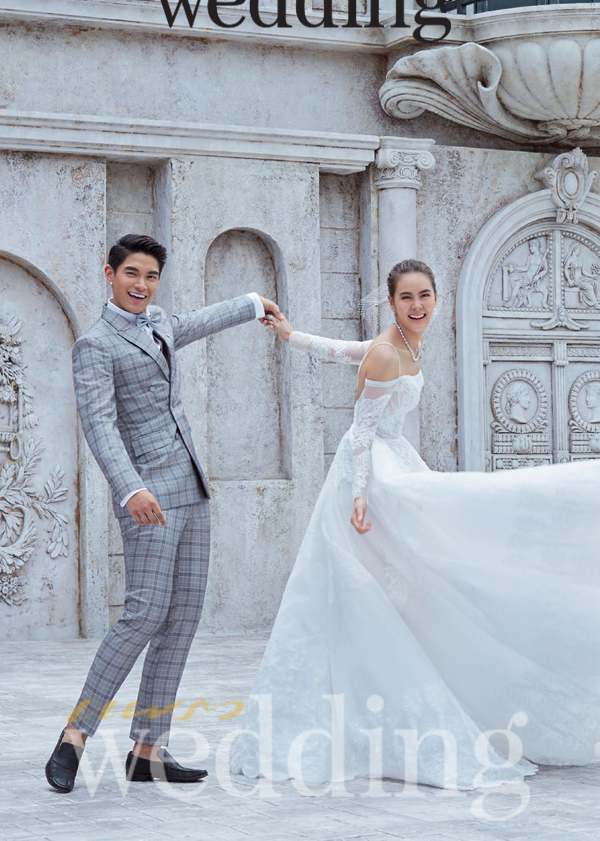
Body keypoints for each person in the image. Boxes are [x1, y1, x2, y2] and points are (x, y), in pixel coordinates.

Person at [229, 258, 600, 791]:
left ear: (436, 298)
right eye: (406, 297)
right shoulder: (388, 352)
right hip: (370, 476)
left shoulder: (399, 343)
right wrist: (360, 497)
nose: (417, 305)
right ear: (391, 301)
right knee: (378, 592)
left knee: (411, 587)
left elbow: (343, 351)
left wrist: (291, 336)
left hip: (389, 460)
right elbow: (361, 433)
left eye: (425, 295)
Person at [45, 233, 282, 793]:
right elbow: (100, 425)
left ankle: (147, 750)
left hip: (191, 490)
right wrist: (130, 489)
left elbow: (198, 321)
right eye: (132, 273)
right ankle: (74, 736)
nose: (141, 285)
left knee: (182, 616)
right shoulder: (95, 345)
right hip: (147, 498)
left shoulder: (159, 323)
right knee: (144, 614)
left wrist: (254, 303)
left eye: (151, 276)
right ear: (110, 274)